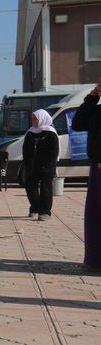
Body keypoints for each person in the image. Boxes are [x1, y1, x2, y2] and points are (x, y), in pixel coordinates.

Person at [72, 79, 101, 267]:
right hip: (97, 167)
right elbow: (77, 123)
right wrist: (92, 97)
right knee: (95, 216)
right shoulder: (97, 110)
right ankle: (95, 260)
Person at [22, 109, 60, 221]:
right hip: (32, 166)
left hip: (47, 166)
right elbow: (26, 150)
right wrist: (27, 163)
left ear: (42, 119)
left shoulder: (51, 133)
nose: (33, 121)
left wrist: (47, 166)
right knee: (30, 187)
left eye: (35, 119)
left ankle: (45, 212)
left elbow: (54, 152)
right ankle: (35, 208)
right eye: (32, 119)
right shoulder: (30, 133)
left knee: (46, 189)